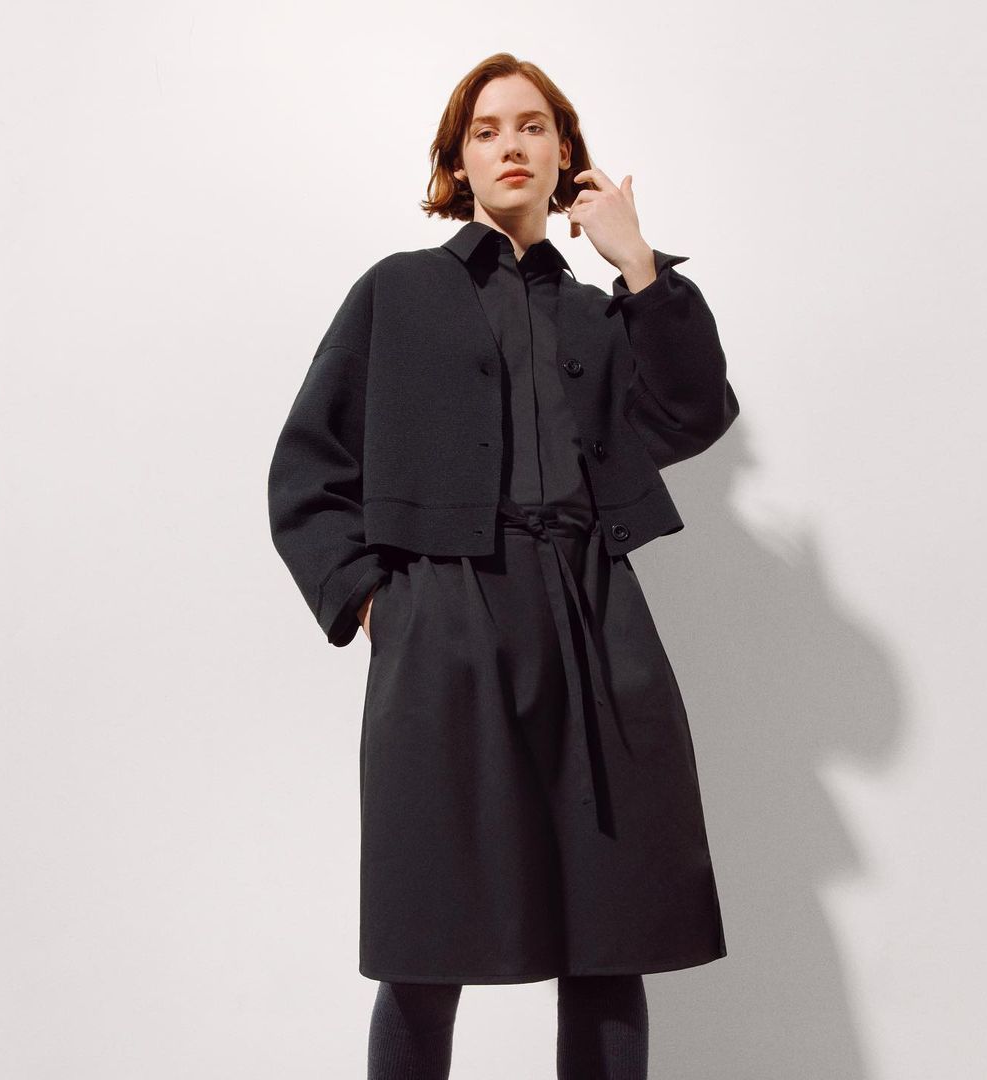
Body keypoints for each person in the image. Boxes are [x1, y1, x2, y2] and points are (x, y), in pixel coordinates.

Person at [267, 52, 740, 1080]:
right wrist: (378, 604)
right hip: (444, 625)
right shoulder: (398, 291)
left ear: (565, 154)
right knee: (426, 942)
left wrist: (640, 265)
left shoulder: (599, 317)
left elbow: (694, 412)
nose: (510, 145)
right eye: (485, 131)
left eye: (532, 127)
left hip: (594, 622)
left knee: (611, 940)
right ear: (458, 163)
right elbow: (307, 467)